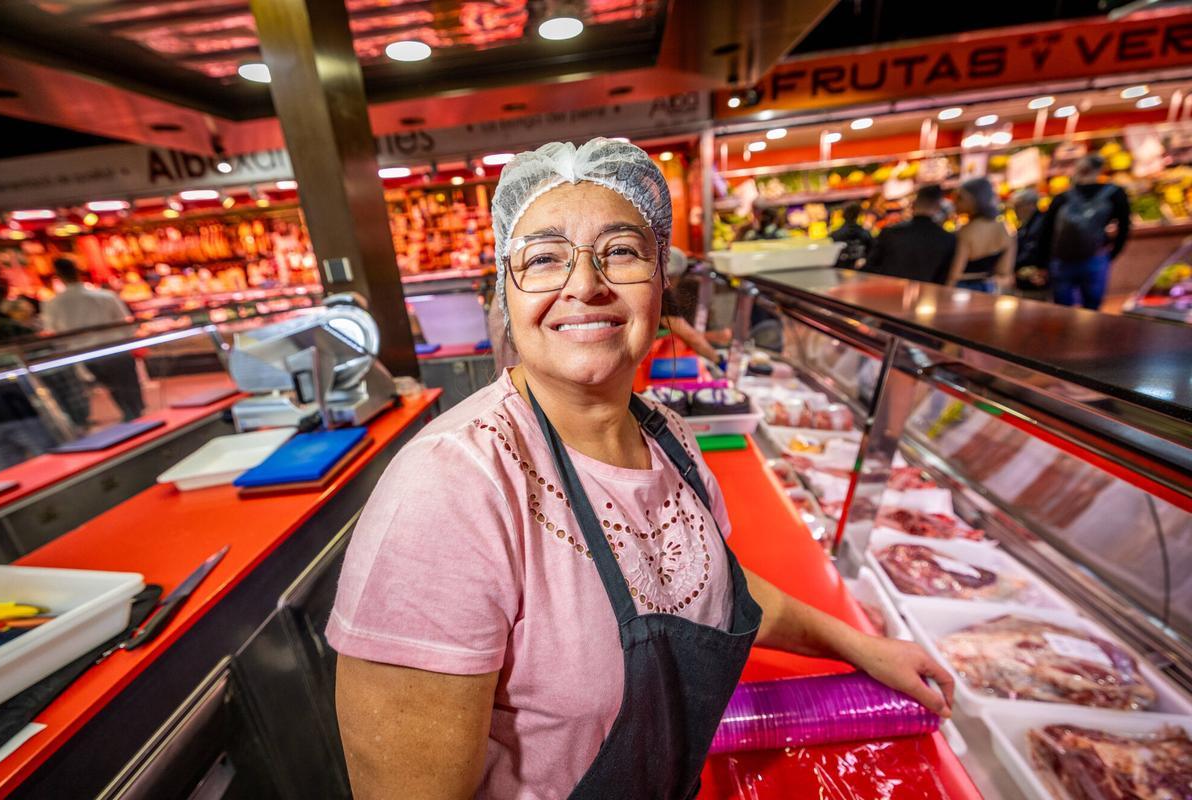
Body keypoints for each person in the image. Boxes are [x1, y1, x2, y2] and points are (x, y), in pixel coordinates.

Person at [328, 138, 953, 799]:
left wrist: (860, 646)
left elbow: (709, 585)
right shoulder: (451, 487)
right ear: (506, 292)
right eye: (544, 257)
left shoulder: (668, 437)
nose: (585, 285)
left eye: (622, 251)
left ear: (661, 282)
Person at [42, 257, 144, 421]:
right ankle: (137, 413)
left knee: (113, 386)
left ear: (59, 276)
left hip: (87, 353)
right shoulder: (105, 296)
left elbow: (54, 334)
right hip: (116, 347)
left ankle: (130, 414)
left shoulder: (53, 304)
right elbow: (126, 323)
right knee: (128, 383)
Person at [1038, 155, 1132, 310]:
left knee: (1062, 308)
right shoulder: (1114, 193)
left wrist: (1043, 262)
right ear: (1099, 170)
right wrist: (1113, 252)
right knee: (1092, 308)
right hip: (1095, 257)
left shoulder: (1062, 197)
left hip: (1062, 261)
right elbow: (1125, 226)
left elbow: (1045, 231)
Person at [865, 184, 956, 284]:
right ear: (938, 207)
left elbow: (870, 268)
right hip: (926, 292)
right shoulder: (948, 240)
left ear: (913, 205)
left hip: (889, 290)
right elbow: (945, 278)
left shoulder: (890, 233)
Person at [945, 178, 1015, 292]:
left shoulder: (966, 232)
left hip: (962, 290)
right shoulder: (1005, 229)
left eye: (960, 198)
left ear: (974, 200)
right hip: (988, 291)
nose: (955, 202)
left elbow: (954, 275)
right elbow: (1005, 272)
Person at [1011, 188, 1050, 300]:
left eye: (1018, 206)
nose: (1015, 211)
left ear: (1031, 205)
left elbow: (1031, 251)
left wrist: (1014, 266)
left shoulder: (1039, 224)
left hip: (1036, 280)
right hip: (1031, 279)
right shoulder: (1028, 224)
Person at [831, 202, 874, 269]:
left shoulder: (835, 234)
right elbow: (872, 252)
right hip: (861, 270)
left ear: (843, 215)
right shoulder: (864, 234)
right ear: (859, 215)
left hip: (840, 270)